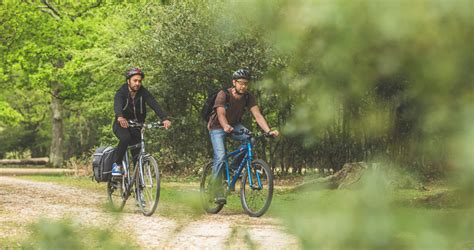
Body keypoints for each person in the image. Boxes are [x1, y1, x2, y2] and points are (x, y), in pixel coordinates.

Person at [207, 69, 279, 204]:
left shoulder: (248, 97)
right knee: (221, 156)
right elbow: (221, 114)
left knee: (250, 139)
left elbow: (257, 115)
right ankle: (215, 188)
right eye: (240, 83)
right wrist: (225, 126)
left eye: (246, 83)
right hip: (217, 127)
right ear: (234, 82)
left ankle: (234, 167)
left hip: (235, 125)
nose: (243, 86)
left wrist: (268, 131)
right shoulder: (223, 94)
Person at [112, 67, 171, 176]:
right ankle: (117, 164)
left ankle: (138, 181)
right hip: (121, 124)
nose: (137, 83)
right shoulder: (122, 92)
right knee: (125, 139)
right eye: (135, 80)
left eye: (139, 81)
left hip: (136, 125)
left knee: (137, 153)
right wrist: (120, 117)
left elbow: (153, 103)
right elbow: (117, 104)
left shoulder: (143, 92)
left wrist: (164, 118)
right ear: (128, 81)